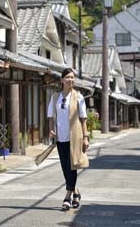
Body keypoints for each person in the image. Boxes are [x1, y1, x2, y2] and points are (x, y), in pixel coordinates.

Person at [47, 68, 90, 211]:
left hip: (75, 137)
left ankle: (67, 197)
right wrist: (52, 130)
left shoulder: (78, 97)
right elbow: (51, 115)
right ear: (62, 80)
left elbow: (83, 119)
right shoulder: (55, 97)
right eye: (67, 77)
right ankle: (76, 193)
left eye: (72, 77)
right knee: (65, 168)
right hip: (61, 138)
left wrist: (85, 137)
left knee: (72, 167)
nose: (70, 80)